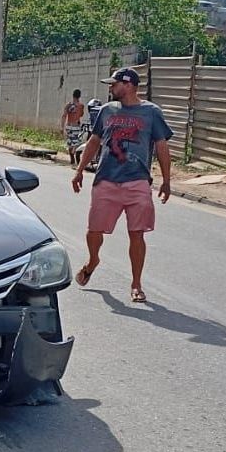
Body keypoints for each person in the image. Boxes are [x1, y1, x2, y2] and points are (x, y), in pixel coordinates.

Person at [70, 67, 174, 303]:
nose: (110, 88)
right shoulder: (106, 111)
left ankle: (136, 284)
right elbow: (94, 141)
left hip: (137, 181)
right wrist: (79, 171)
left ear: (128, 85)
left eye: (114, 84)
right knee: (94, 230)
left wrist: (167, 181)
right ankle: (93, 259)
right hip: (106, 179)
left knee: (136, 234)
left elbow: (161, 146)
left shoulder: (151, 113)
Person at [60, 88, 86, 166]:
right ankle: (74, 154)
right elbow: (81, 115)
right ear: (79, 96)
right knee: (77, 143)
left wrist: (62, 127)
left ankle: (72, 159)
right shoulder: (81, 105)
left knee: (70, 142)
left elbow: (64, 116)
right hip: (76, 126)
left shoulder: (68, 105)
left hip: (69, 125)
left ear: (73, 95)